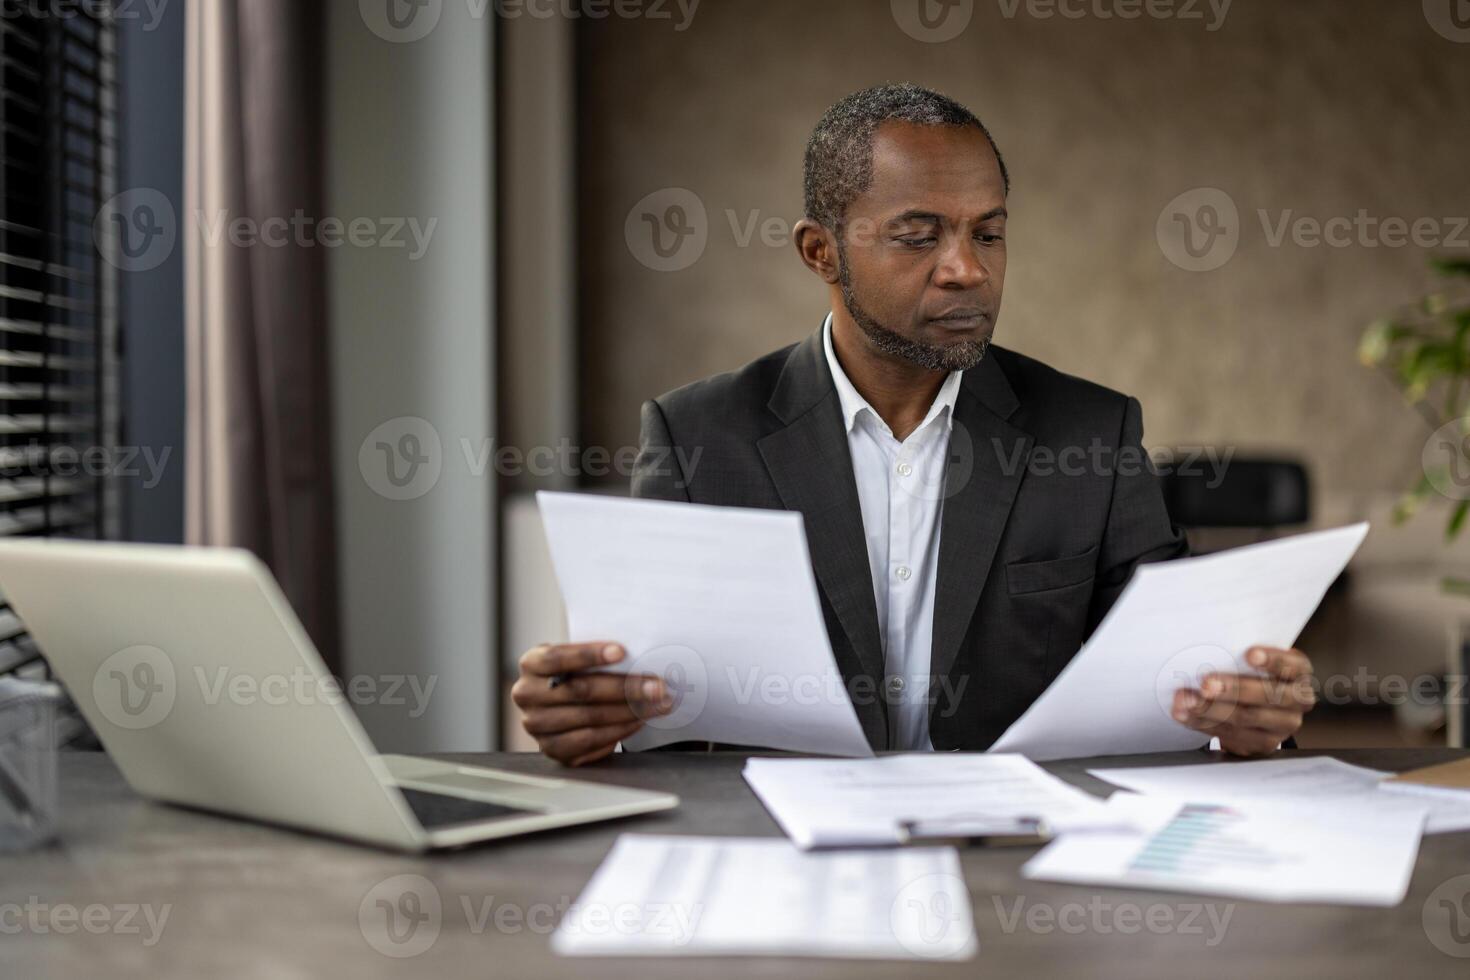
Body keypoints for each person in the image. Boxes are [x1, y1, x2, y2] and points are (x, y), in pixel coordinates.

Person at [513, 83, 1317, 766]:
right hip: (778, 876)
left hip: (1017, 871)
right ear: (820, 251)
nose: (967, 267)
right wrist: (587, 720)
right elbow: (633, 696)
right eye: (918, 235)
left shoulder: (1092, 434)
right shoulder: (696, 438)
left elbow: (1173, 679)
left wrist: (1238, 719)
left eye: (989, 233)